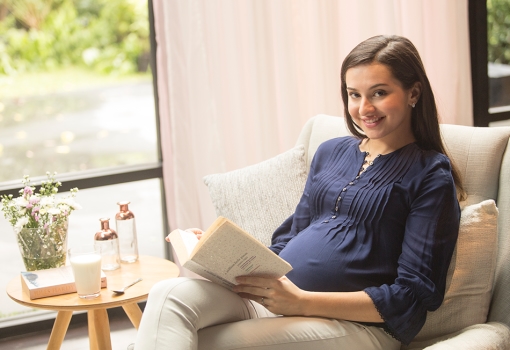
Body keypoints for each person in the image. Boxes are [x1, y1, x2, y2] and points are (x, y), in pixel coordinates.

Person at [133, 35, 463, 349]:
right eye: (354, 94)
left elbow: (412, 296)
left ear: (413, 93)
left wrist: (300, 302)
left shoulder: (430, 173)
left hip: (356, 326)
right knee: (167, 297)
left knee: (202, 343)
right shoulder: (331, 151)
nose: (364, 108)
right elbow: (288, 238)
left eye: (378, 93)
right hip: (275, 300)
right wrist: (220, 254)